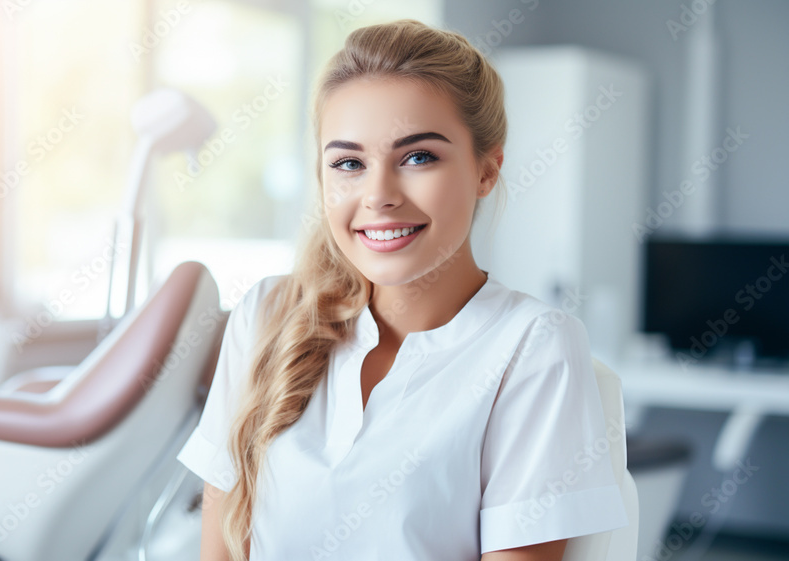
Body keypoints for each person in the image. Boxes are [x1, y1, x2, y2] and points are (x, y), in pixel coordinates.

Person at [176, 18, 629, 561]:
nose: (378, 195)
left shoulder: (533, 347)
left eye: (418, 157)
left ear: (487, 171)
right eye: (348, 163)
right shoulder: (267, 314)